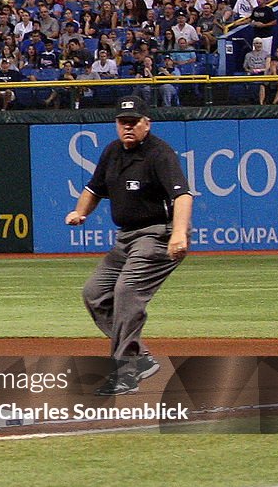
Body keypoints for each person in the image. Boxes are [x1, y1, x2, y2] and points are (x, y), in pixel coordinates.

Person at [65, 95, 193, 396]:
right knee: (94, 293)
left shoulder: (159, 153)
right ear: (116, 124)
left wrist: (178, 234)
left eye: (134, 122)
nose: (128, 127)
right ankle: (140, 358)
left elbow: (183, 196)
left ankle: (125, 373)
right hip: (126, 238)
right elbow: (93, 188)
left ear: (147, 124)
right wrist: (81, 211)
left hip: (157, 235)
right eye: (123, 122)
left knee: (127, 292)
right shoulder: (112, 151)